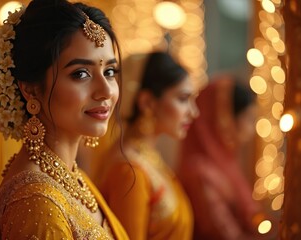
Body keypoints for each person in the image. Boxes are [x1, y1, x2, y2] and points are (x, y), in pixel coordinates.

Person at [0, 0, 129, 239]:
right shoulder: (36, 203)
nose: (106, 91)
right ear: (30, 90)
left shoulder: (71, 176)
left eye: (110, 72)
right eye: (80, 74)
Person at [98, 52, 199, 240]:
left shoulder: (147, 157)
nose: (194, 112)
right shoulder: (128, 170)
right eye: (183, 99)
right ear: (147, 102)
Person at [177, 75, 269, 240]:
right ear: (224, 119)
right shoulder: (199, 171)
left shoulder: (226, 162)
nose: (252, 129)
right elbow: (225, 235)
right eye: (248, 119)